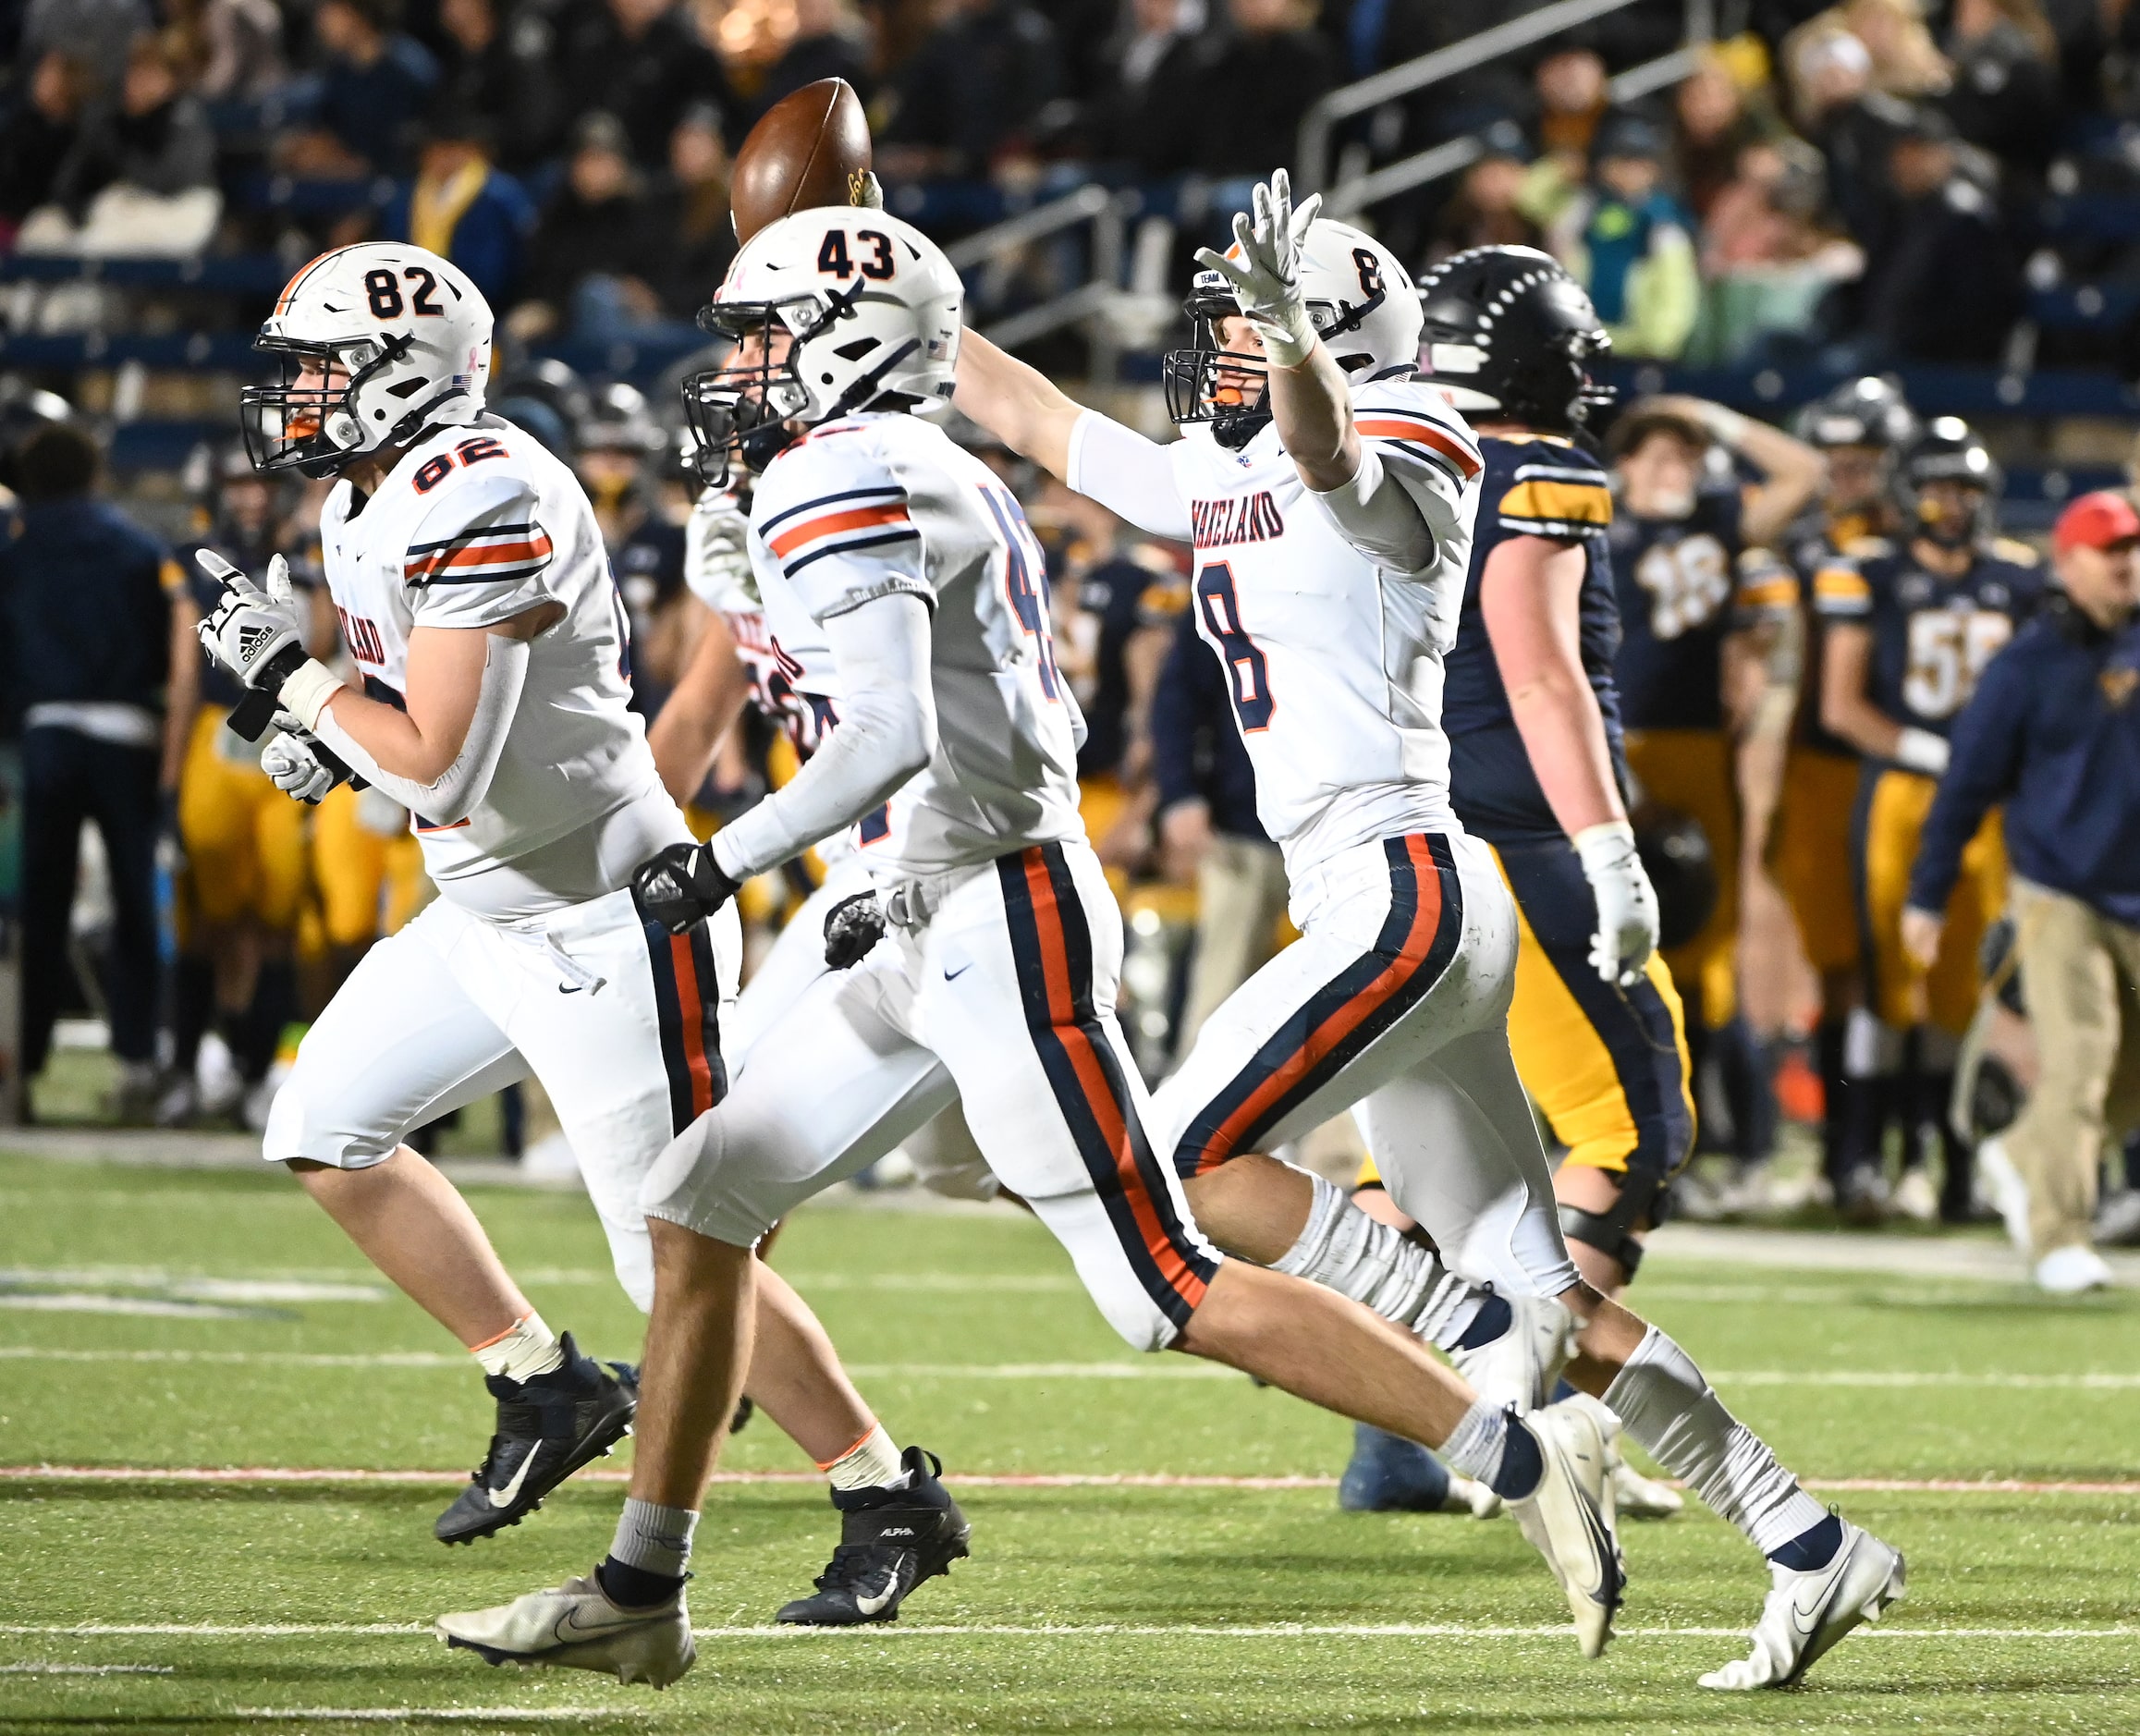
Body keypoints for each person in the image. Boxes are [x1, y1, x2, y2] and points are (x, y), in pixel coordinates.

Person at [438, 201, 1630, 1687]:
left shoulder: (852, 469)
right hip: (920, 902)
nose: (736, 372)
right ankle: (643, 1583)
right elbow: (1021, 447)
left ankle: (1519, 1452)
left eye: (760, 342)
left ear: (835, 350)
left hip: (998, 918)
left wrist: (710, 861)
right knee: (696, 1205)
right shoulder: (888, 458)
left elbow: (887, 730)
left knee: (1159, 1288)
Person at [959, 203, 1900, 1689]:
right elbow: (1028, 406)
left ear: (1324, 337)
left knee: (1187, 1159)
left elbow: (1335, 461)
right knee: (1547, 1282)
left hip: (1400, 889)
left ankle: (1470, 1336)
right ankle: (1805, 1539)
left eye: (1250, 320)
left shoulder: (1412, 442)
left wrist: (1290, 353)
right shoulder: (1225, 473)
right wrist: (868, 264)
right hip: (1398, 905)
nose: (1212, 344)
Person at [208, 241, 921, 1580]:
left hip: (606, 920)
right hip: (485, 912)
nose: (296, 393)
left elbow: (437, 761)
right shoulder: (364, 498)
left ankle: (886, 1491)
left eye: (320, 366)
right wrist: (320, 731)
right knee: (322, 1124)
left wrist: (298, 689)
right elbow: (405, 727)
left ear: (398, 372)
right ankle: (544, 1383)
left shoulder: (483, 487)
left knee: (679, 1262)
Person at [1903, 492, 2140, 1292]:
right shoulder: (2025, 665)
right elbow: (1964, 787)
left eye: (2134, 549)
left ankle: (2022, 1154)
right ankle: (2058, 1238)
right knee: (2080, 1055)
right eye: (2110, 550)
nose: (2127, 564)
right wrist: (1927, 896)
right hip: (2058, 891)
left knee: (2124, 1086)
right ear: (2067, 561)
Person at [1814, 416, 2043, 1221]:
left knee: (1966, 983)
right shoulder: (1868, 572)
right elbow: (1840, 707)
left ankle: (1954, 1166)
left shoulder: (2017, 578)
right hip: (1903, 794)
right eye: (1940, 487)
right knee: (1887, 982)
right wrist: (1933, 752)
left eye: (1966, 489)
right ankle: (1864, 1161)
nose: (1953, 504)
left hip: (1987, 805)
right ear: (1909, 494)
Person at [1603, 397, 1819, 1161]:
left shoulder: (1719, 519)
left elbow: (1804, 471)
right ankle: (1608, 1126)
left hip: (1698, 750)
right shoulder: (1588, 517)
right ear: (1624, 463)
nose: (1675, 473)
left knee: (1703, 933)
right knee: (1602, 934)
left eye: (1687, 460)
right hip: (1610, 745)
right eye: (1659, 457)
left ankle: (1703, 1135)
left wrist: (1708, 416)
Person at [0, 421, 188, 1120]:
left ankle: (22, 1064)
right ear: (92, 471)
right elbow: (174, 652)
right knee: (134, 906)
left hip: (45, 734)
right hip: (127, 733)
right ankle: (140, 1059)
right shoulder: (137, 547)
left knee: (38, 911)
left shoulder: (14, 547)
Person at [1779, 375, 1918, 1192]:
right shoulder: (1800, 546)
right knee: (1836, 964)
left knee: (1900, 963)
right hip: (1818, 767)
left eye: (1863, 462)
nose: (1845, 477)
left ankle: (1897, 1147)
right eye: (1834, 460)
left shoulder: (1927, 548)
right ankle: (1846, 1154)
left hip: (1898, 768)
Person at [163, 446, 321, 1128]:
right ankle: (193, 1064)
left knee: (282, 916)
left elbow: (331, 644)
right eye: (238, 486)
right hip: (216, 737)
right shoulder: (197, 562)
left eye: (261, 485)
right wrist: (168, 780)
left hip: (291, 731)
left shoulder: (319, 552)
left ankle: (261, 1069)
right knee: (209, 914)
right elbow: (183, 672)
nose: (251, 499)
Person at [1547, 113, 1701, 362]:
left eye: (1639, 163)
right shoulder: (1580, 210)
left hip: (1643, 353)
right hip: (1582, 345)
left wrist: (1659, 342)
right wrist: (1562, 168)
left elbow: (1677, 289)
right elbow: (1527, 196)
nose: (1630, 171)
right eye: (1621, 160)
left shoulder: (1662, 222)